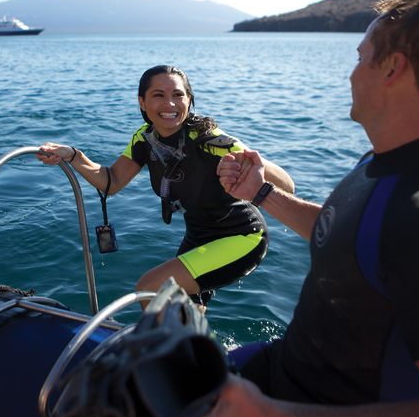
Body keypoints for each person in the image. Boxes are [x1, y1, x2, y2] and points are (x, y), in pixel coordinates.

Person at [209, 0, 419, 417]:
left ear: (392, 68)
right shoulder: (382, 164)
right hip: (279, 371)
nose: (352, 73)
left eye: (360, 57)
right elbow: (349, 236)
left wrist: (271, 414)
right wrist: (261, 194)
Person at [37, 65, 294, 310]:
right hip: (198, 238)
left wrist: (252, 168)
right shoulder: (144, 139)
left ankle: (165, 353)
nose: (169, 104)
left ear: (189, 100)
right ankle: (203, 354)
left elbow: (287, 185)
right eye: (158, 95)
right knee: (185, 314)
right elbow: (112, 182)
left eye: (178, 95)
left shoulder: (210, 140)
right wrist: (73, 155)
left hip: (241, 237)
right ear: (142, 102)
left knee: (151, 288)